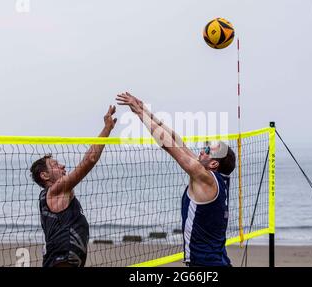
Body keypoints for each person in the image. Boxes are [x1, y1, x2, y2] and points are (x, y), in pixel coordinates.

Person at [116, 93, 235, 267]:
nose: (202, 150)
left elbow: (169, 145)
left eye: (208, 150)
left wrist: (140, 115)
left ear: (214, 163)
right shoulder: (215, 177)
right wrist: (145, 111)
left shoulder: (204, 178)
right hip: (218, 260)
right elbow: (177, 140)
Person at [30, 105, 117, 267]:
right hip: (61, 262)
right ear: (45, 175)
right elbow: (89, 160)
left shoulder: (49, 195)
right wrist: (107, 129)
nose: (62, 166)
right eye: (55, 165)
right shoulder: (58, 189)